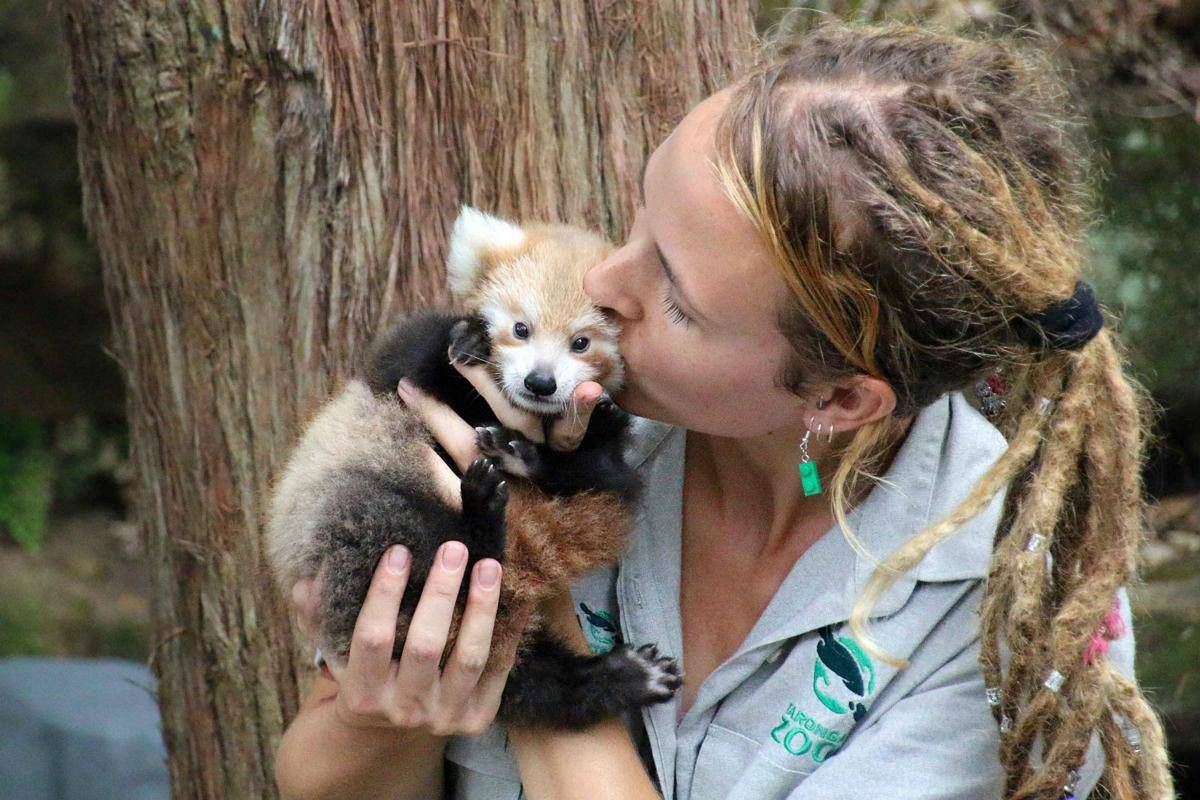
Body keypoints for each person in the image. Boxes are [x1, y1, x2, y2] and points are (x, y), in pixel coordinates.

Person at [273, 21, 1174, 800]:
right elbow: (319, 771)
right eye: (637, 222)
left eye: (678, 298)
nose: (600, 283)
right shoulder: (548, 410)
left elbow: (526, 632)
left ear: (839, 396)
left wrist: (529, 625)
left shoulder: (1004, 616)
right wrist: (382, 713)